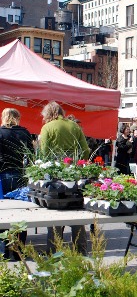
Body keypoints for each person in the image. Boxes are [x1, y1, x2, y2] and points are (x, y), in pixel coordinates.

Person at [40, 102, 89, 255]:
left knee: (55, 213)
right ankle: (81, 253)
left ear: (48, 113)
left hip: (55, 176)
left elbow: (44, 153)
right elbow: (85, 150)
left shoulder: (48, 127)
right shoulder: (74, 126)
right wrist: (78, 163)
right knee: (76, 211)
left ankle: (54, 253)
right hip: (74, 174)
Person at [0, 108, 33, 260]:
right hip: (20, 174)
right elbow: (31, 154)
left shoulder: (0, 132)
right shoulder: (24, 132)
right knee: (21, 212)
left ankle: (4, 251)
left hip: (3, 174)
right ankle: (20, 250)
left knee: (4, 213)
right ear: (17, 118)